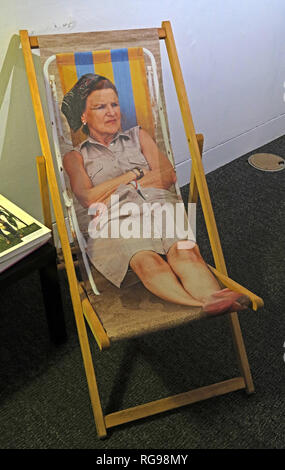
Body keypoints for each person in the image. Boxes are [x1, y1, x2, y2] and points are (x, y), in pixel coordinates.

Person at [61, 73, 250, 315]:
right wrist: (135, 174)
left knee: (187, 253)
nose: (111, 112)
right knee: (146, 261)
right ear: (84, 117)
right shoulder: (75, 156)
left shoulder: (138, 135)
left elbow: (167, 176)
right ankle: (202, 304)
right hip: (114, 218)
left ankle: (212, 299)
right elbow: (88, 198)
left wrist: (114, 189)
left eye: (114, 104)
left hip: (160, 204)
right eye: (100, 107)